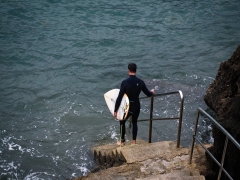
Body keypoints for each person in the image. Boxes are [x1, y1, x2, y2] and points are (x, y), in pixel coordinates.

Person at [114, 63, 155, 145]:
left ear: (128, 70)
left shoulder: (125, 82)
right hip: (136, 106)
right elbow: (148, 94)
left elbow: (119, 97)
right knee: (135, 122)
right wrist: (152, 92)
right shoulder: (141, 82)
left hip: (127, 107)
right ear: (136, 71)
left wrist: (115, 110)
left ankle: (122, 141)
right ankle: (134, 141)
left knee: (122, 121)